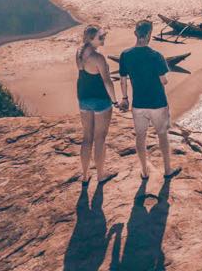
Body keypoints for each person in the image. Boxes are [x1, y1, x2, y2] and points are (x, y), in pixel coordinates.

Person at [119, 20, 181, 181]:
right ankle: (167, 170)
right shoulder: (156, 56)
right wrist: (165, 77)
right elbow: (164, 81)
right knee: (162, 135)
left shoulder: (125, 55)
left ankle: (144, 171)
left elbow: (123, 80)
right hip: (157, 102)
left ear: (135, 33)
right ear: (149, 35)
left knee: (140, 136)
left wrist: (125, 98)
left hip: (138, 104)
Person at [75, 24, 118, 184]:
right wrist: (115, 100)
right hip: (100, 99)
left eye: (104, 35)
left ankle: (85, 175)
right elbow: (107, 82)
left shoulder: (79, 53)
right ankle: (101, 175)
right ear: (91, 38)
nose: (104, 38)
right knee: (100, 138)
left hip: (83, 98)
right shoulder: (98, 58)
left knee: (87, 137)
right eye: (101, 36)